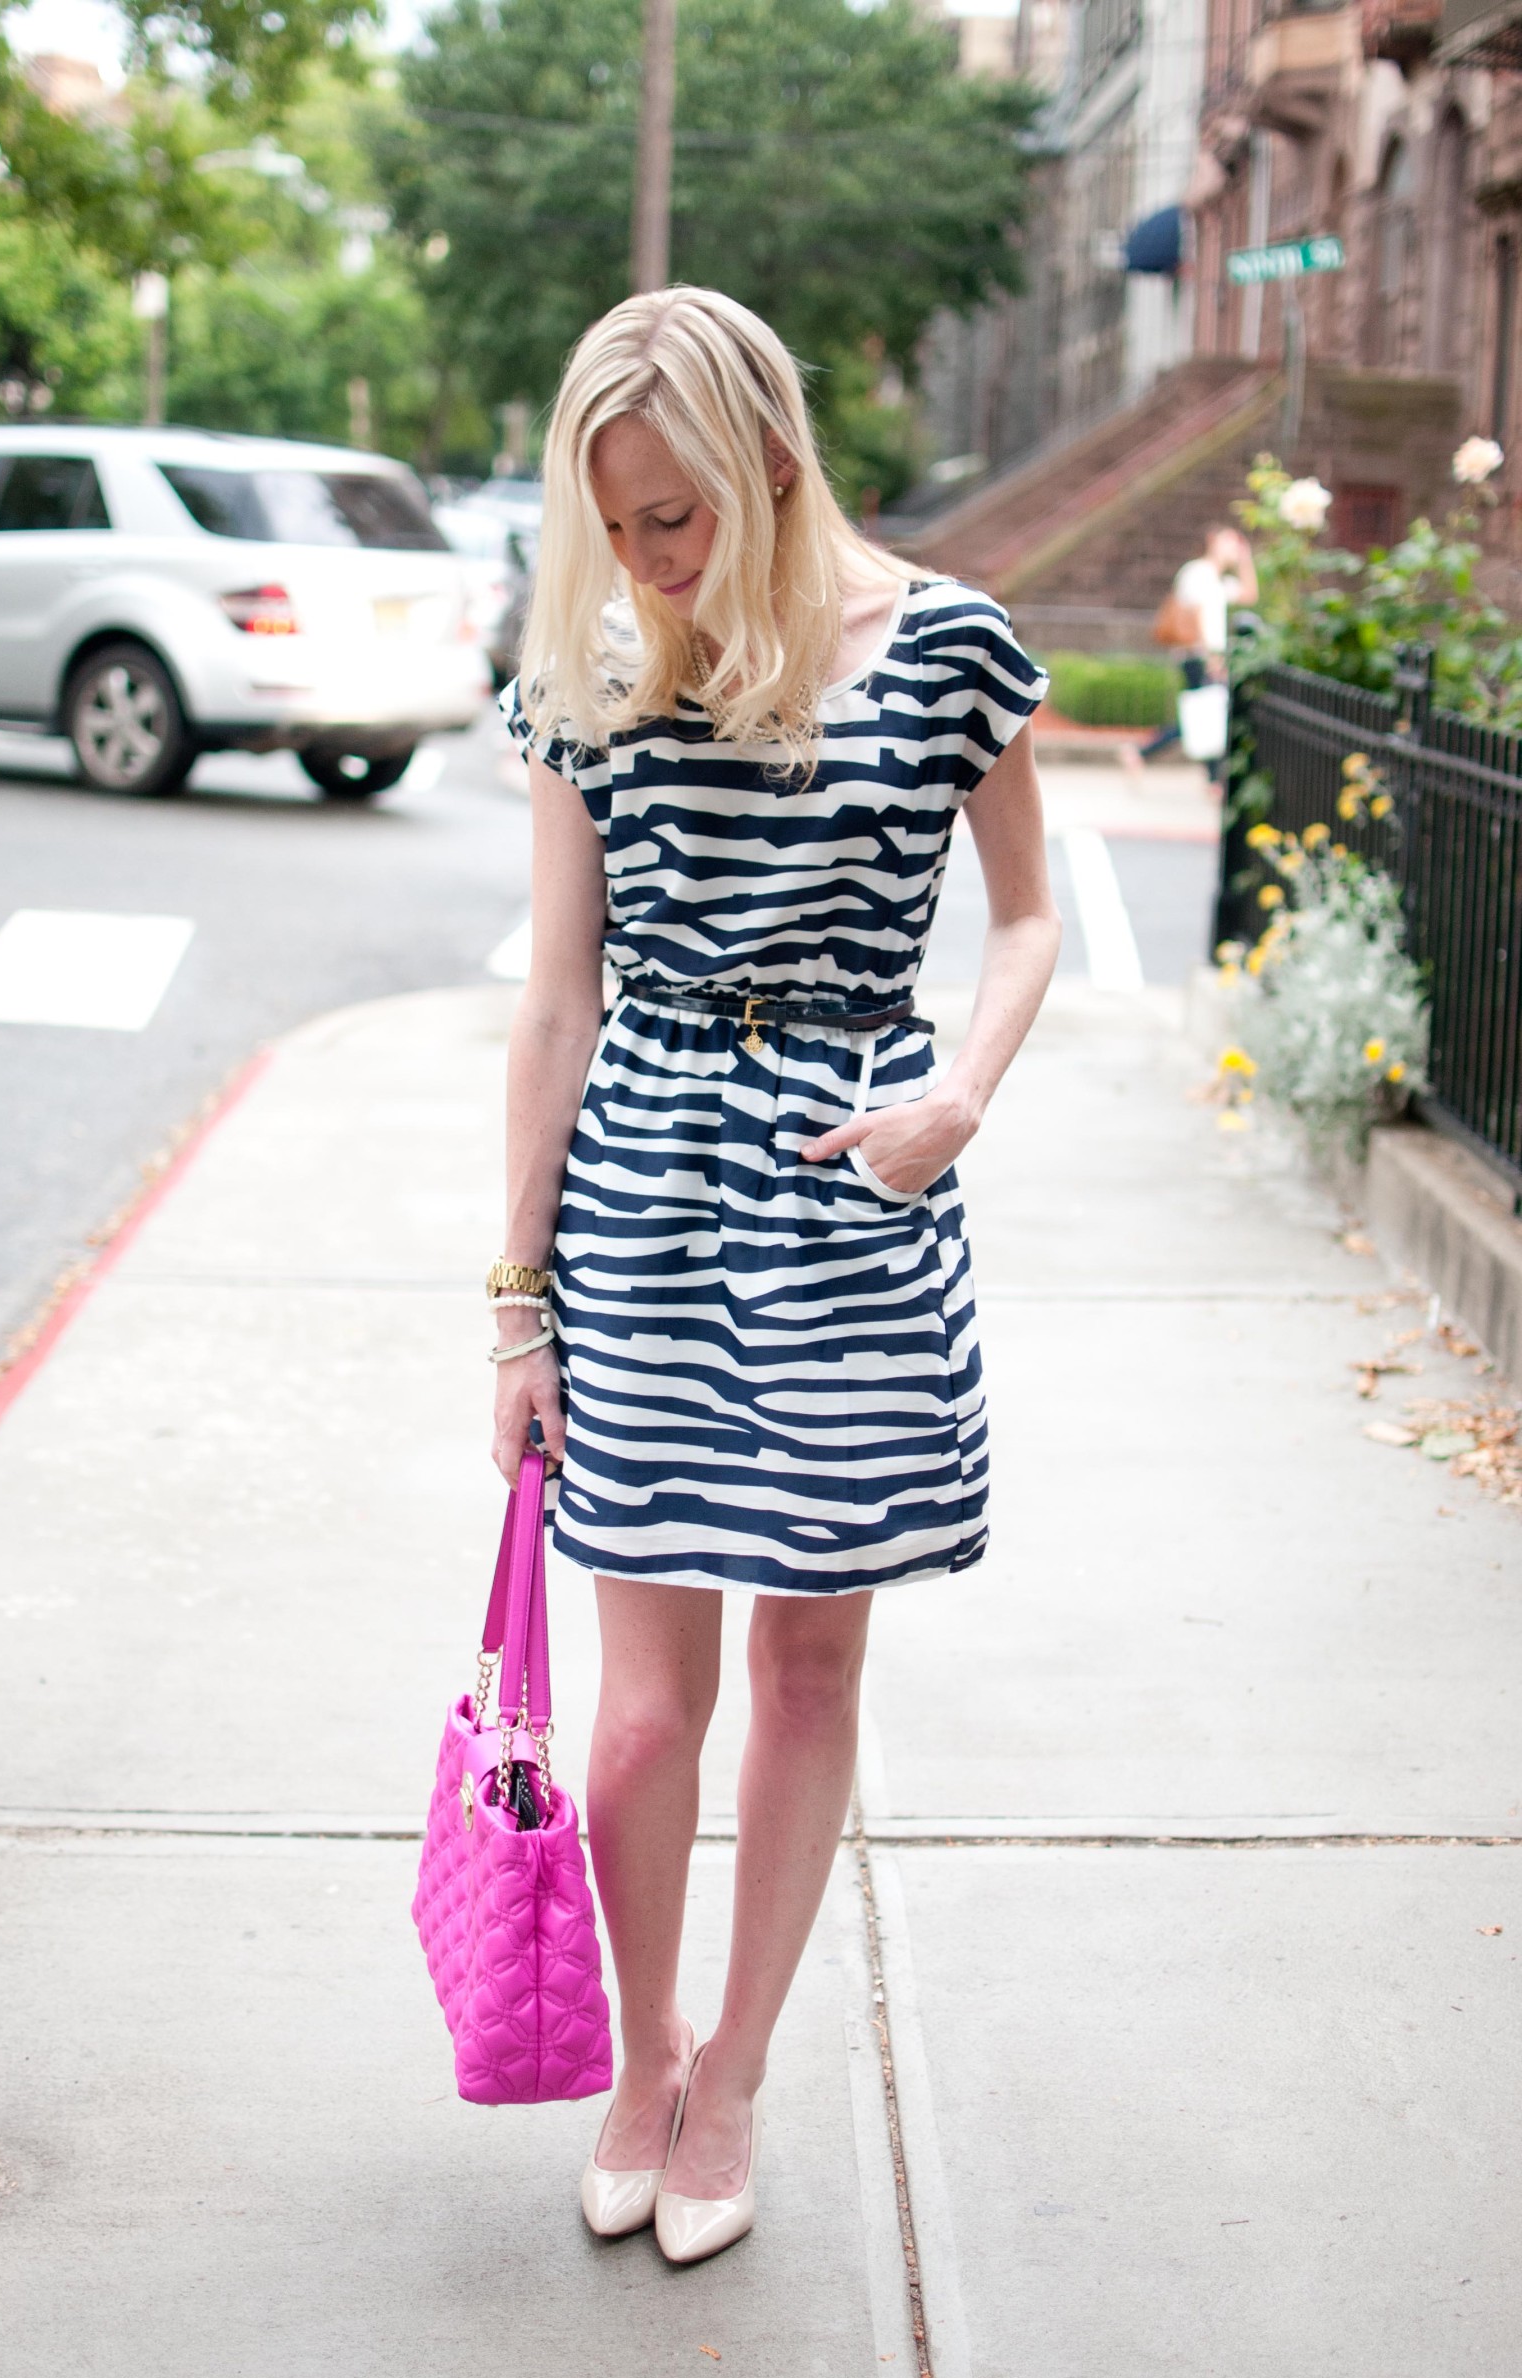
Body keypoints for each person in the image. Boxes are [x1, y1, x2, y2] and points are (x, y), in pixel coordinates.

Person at [491, 286, 1059, 2266]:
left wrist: (954, 1099)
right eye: (619, 524)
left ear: (771, 461)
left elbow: (1027, 915)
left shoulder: (947, 648)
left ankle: (733, 2072)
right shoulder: (587, 668)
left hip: (853, 1193)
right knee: (639, 1715)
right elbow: (554, 998)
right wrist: (514, 1299)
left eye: (680, 516)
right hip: (642, 1194)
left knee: (809, 1659)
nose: (651, 560)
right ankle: (641, 2056)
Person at [1133, 524, 1258, 766]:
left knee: (1204, 713)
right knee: (1207, 713)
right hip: (1197, 654)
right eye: (1228, 542)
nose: (1232, 549)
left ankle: (1141, 754)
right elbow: (1199, 615)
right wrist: (1212, 657)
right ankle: (1144, 754)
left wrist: (1245, 560)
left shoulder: (1218, 579)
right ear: (1212, 541)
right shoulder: (1198, 573)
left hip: (1205, 655)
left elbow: (1249, 595)